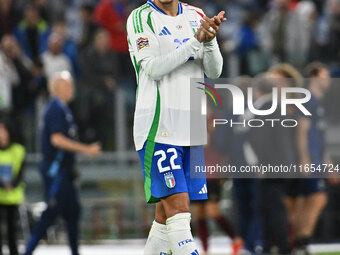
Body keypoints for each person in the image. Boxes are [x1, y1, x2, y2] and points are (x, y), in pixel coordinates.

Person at [127, 0, 225, 254]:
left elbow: (214, 72)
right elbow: (152, 68)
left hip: (191, 128)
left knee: (164, 217)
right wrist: (194, 41)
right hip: (159, 125)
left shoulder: (197, 15)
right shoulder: (141, 18)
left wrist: (211, 41)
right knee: (180, 210)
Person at [24, 71, 101, 255]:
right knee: (50, 214)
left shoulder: (63, 110)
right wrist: (86, 149)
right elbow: (57, 140)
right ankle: (27, 251)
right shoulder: (55, 109)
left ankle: (75, 251)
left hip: (64, 172)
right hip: (56, 172)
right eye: (68, 84)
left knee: (73, 212)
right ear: (58, 87)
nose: (71, 88)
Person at [293, 62, 331, 254]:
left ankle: (299, 240)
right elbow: (302, 130)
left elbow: (319, 137)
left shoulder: (317, 102)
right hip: (310, 160)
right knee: (315, 198)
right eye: (325, 75)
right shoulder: (308, 101)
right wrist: (305, 159)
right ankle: (300, 240)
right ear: (315, 77)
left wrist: (328, 163)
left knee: (310, 199)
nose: (329, 80)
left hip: (316, 159)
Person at [0, 118, 25, 255]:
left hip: (12, 197)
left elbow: (21, 172)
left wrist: (12, 185)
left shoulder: (18, 150)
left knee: (12, 233)